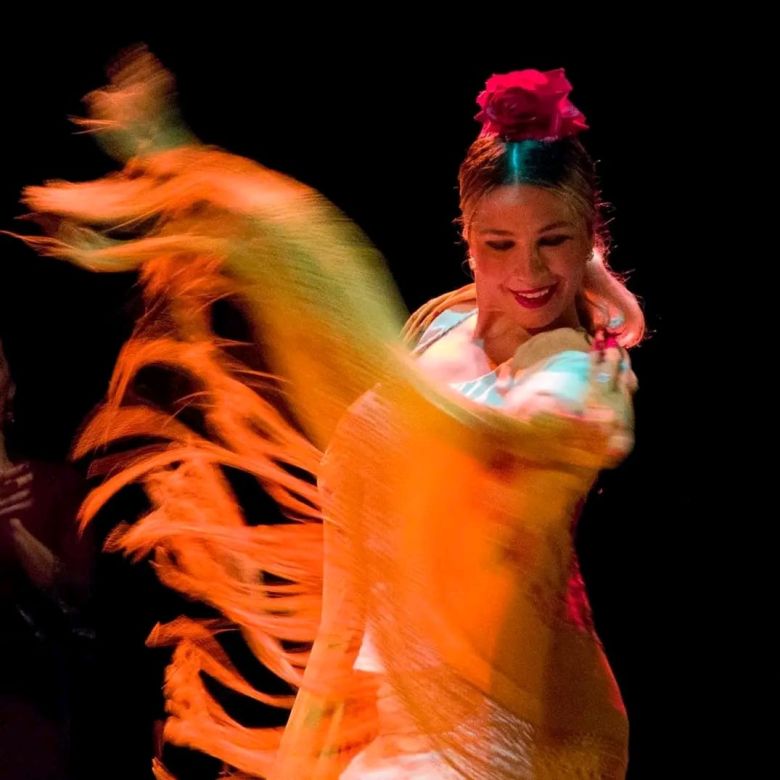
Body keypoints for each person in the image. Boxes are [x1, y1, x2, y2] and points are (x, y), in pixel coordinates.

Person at [271, 68, 644, 780]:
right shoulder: (435, 330)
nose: (528, 271)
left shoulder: (574, 367)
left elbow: (557, 420)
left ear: (587, 236)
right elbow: (346, 609)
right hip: (381, 726)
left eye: (553, 240)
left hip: (487, 743)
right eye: (500, 244)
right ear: (467, 235)